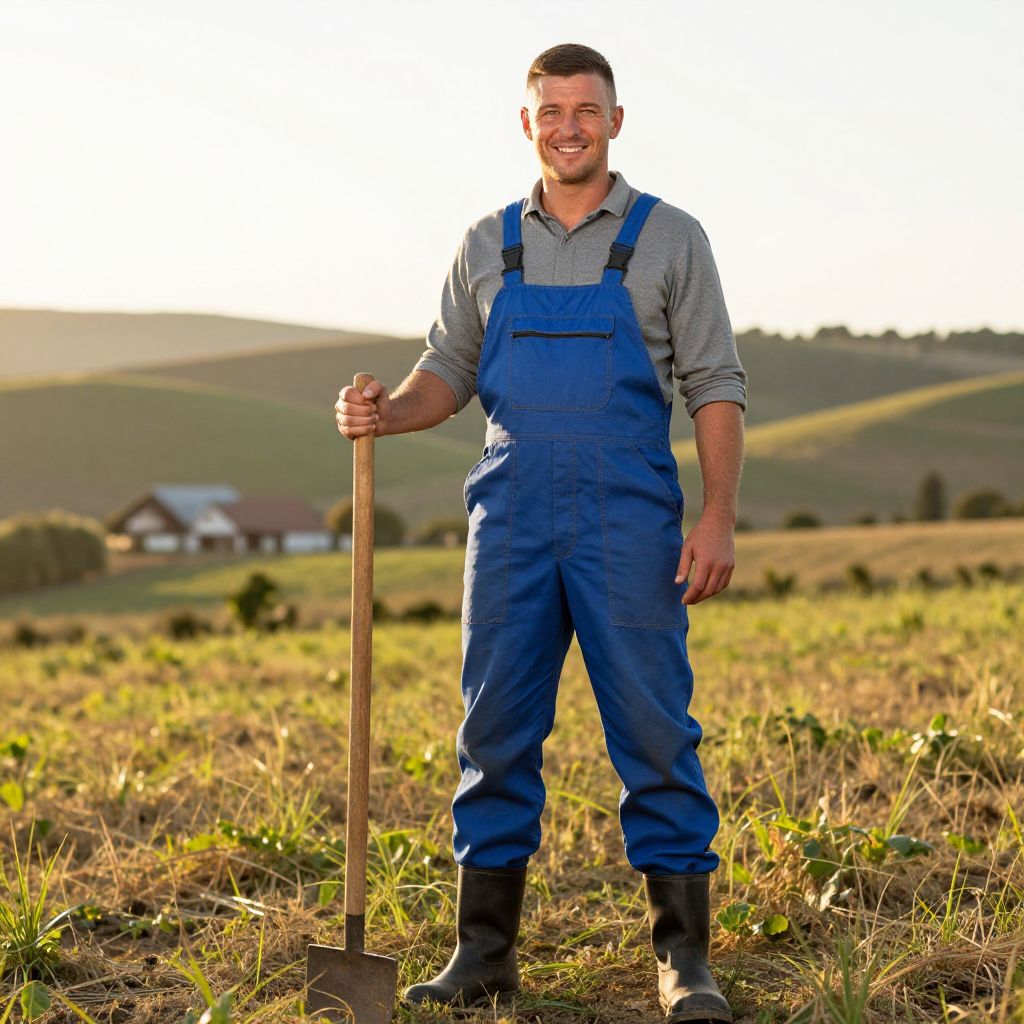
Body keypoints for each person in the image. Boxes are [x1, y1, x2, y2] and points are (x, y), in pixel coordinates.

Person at [335, 42, 745, 1024]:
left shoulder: (670, 237)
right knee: (494, 733)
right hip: (510, 516)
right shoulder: (484, 242)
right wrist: (385, 411)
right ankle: (482, 956)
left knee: (653, 733)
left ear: (613, 119)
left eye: (585, 109)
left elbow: (715, 385)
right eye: (549, 110)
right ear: (527, 124)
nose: (567, 125)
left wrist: (719, 513)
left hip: (628, 517)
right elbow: (447, 372)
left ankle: (681, 961)